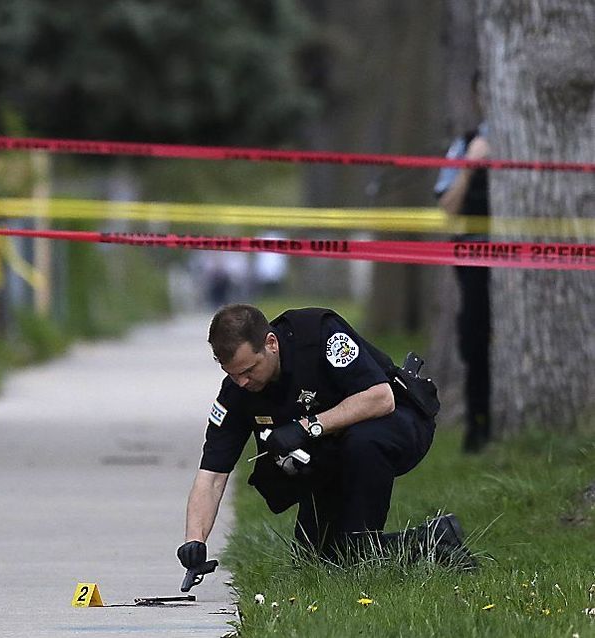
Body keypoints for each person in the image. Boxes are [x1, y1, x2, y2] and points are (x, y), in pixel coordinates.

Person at [177, 304, 471, 570]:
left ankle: (364, 550)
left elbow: (382, 398)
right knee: (314, 564)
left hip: (397, 424)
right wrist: (195, 540)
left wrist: (308, 426)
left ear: (271, 343)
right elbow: (212, 475)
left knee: (361, 442)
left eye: (250, 370)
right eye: (233, 374)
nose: (243, 381)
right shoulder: (237, 392)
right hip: (334, 452)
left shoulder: (316, 335)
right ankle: (435, 539)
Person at [434, 72, 491, 453]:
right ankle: (478, 426)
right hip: (474, 260)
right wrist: (472, 165)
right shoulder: (465, 145)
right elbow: (446, 209)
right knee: (474, 340)